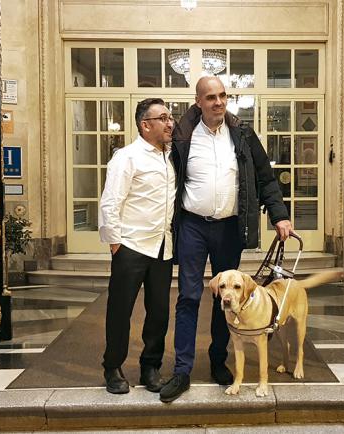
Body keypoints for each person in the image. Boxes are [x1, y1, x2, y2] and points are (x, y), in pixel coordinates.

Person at [159, 76, 293, 403]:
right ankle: (182, 370)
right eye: (210, 97)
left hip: (229, 228)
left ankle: (219, 360)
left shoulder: (243, 134)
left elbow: (265, 177)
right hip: (192, 226)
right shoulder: (182, 136)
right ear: (198, 101)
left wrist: (279, 214)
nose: (218, 102)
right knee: (189, 296)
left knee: (228, 298)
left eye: (222, 95)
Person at [99, 98, 176, 394]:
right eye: (163, 118)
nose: (170, 123)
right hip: (130, 246)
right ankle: (112, 367)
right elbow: (111, 201)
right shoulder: (127, 157)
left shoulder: (171, 156)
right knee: (120, 311)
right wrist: (115, 244)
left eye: (170, 117)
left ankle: (150, 367)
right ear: (146, 125)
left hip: (162, 247)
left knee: (158, 313)